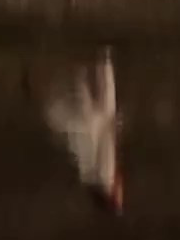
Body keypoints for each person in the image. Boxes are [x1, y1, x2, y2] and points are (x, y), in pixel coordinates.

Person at [43, 52, 124, 210]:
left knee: (99, 85)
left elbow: (106, 142)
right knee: (85, 82)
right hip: (86, 125)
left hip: (93, 122)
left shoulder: (105, 178)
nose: (122, 190)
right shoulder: (90, 177)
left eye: (119, 196)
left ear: (111, 197)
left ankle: (100, 53)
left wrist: (114, 127)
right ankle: (94, 56)